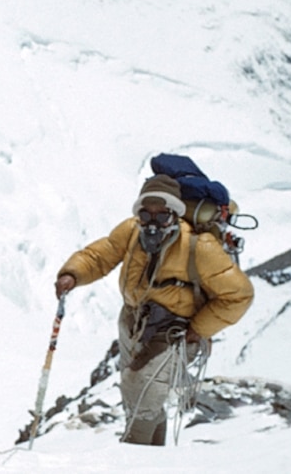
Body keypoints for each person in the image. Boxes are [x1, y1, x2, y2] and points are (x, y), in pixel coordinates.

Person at [54, 174, 254, 445]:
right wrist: (73, 274)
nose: (152, 224)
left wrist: (199, 330)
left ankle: (131, 456)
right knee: (135, 392)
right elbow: (101, 254)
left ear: (175, 215)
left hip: (176, 329)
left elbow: (239, 294)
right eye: (146, 216)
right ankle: (152, 461)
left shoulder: (199, 247)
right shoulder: (131, 231)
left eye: (162, 217)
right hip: (133, 321)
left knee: (141, 389)